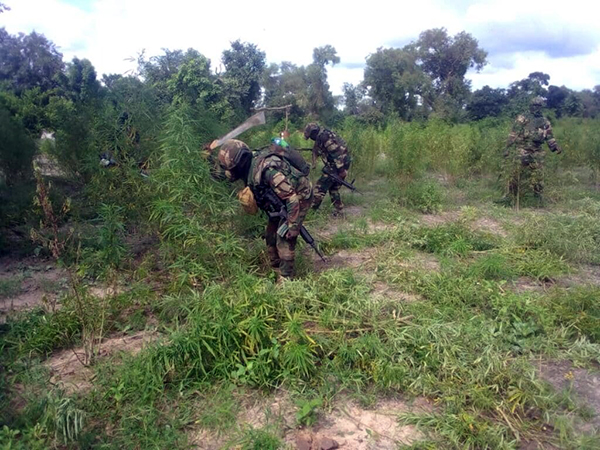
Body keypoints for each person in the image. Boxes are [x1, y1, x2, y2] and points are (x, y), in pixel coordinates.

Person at [215, 139, 312, 279]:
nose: (232, 172)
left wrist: (293, 225)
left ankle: (286, 278)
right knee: (270, 234)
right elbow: (225, 176)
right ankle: (275, 267)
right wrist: (208, 160)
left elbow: (292, 198)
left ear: (240, 163)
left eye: (233, 168)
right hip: (280, 199)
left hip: (300, 195)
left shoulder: (267, 171)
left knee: (284, 236)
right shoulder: (246, 167)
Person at [503, 96, 562, 204]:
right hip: (522, 149)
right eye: (534, 106)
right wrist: (508, 148)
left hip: (537, 151)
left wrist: (555, 147)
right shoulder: (522, 118)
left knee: (539, 175)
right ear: (531, 106)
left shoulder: (545, 121)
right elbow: (513, 134)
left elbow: (549, 136)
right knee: (516, 173)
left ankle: (538, 197)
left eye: (539, 106)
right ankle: (511, 196)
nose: (536, 108)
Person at [303, 123, 352, 216]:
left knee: (320, 188)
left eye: (311, 137)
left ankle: (310, 212)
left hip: (338, 164)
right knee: (333, 188)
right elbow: (317, 149)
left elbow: (336, 153)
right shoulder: (323, 135)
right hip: (341, 162)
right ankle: (339, 210)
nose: (311, 139)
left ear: (314, 133)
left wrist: (341, 170)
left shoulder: (324, 137)